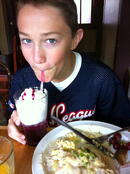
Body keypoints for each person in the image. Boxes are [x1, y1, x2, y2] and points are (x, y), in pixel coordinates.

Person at [8, 0, 130, 144]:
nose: (36, 58)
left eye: (50, 40)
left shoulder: (102, 80)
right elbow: (15, 123)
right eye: (27, 40)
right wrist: (14, 125)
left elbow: (123, 131)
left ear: (75, 39)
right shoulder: (21, 81)